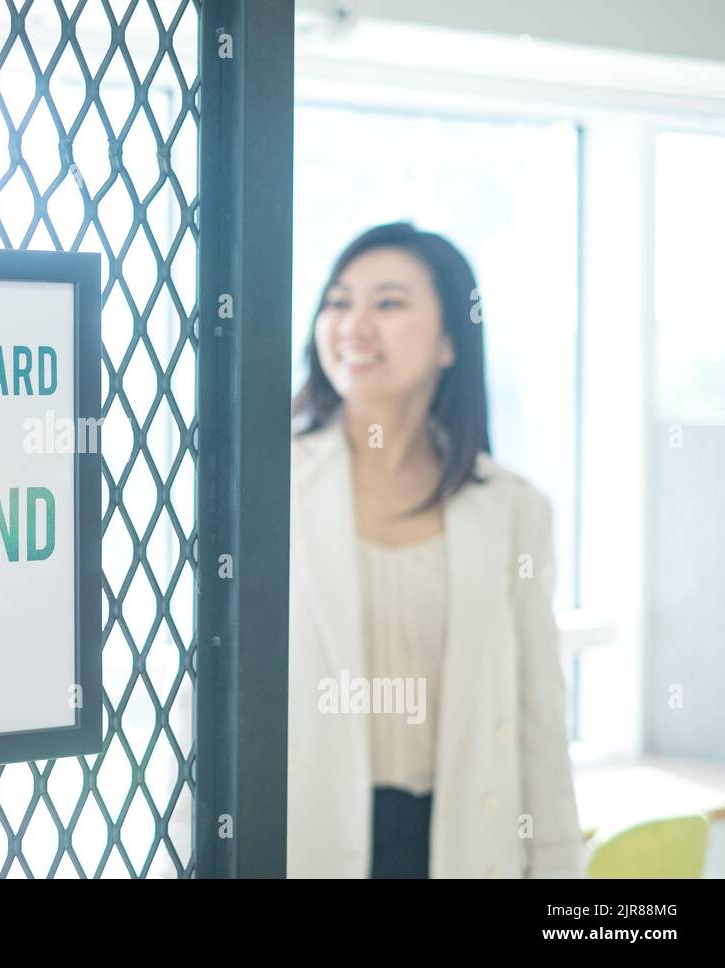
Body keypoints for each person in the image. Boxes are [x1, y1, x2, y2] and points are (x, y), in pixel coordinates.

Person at [286, 222, 585, 878]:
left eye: (388, 304)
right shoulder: (267, 487)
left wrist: (562, 873)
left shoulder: (513, 509)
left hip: (460, 842)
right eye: (338, 302)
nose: (354, 326)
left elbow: (538, 713)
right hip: (304, 836)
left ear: (452, 339)